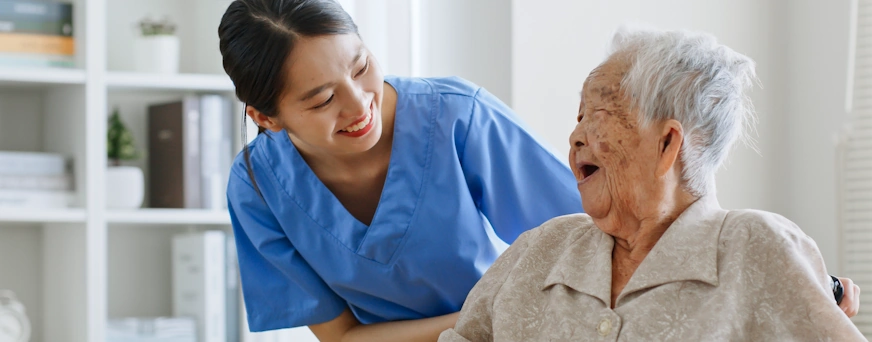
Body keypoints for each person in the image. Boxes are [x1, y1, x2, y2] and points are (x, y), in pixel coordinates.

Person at [439, 27, 865, 341]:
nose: (576, 136)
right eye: (578, 116)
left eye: (598, 114)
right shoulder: (537, 251)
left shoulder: (757, 248)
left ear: (666, 143)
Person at [219, 0, 582, 340]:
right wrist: (485, 314)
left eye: (361, 67)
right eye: (324, 100)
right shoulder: (255, 186)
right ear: (266, 118)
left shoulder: (458, 116)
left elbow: (586, 239)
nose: (359, 104)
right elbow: (341, 335)